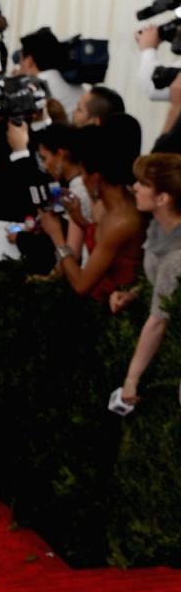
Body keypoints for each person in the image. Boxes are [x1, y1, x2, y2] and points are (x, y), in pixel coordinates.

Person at [38, 126, 145, 300]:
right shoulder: (114, 204)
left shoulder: (120, 220)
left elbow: (81, 286)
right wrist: (79, 220)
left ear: (94, 177)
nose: (82, 179)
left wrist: (56, 235)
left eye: (83, 173)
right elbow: (108, 245)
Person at [111, 153, 181, 404]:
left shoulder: (177, 255)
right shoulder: (160, 228)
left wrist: (131, 381)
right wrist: (134, 293)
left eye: (143, 184)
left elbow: (158, 321)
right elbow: (163, 284)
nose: (135, 187)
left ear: (162, 198)